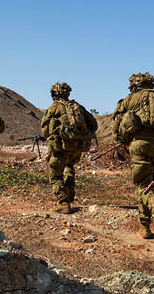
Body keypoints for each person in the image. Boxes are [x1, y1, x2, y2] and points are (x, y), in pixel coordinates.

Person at [112, 72, 154, 239]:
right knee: (149, 185)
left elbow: (117, 126)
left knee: (142, 186)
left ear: (134, 85)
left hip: (139, 144)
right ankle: (145, 228)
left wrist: (123, 141)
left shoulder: (130, 99)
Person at [41, 82, 98, 214]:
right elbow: (93, 123)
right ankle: (70, 195)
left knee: (55, 174)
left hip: (61, 147)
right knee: (69, 167)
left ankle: (63, 202)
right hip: (77, 147)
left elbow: (45, 128)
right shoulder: (77, 107)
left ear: (54, 94)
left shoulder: (54, 108)